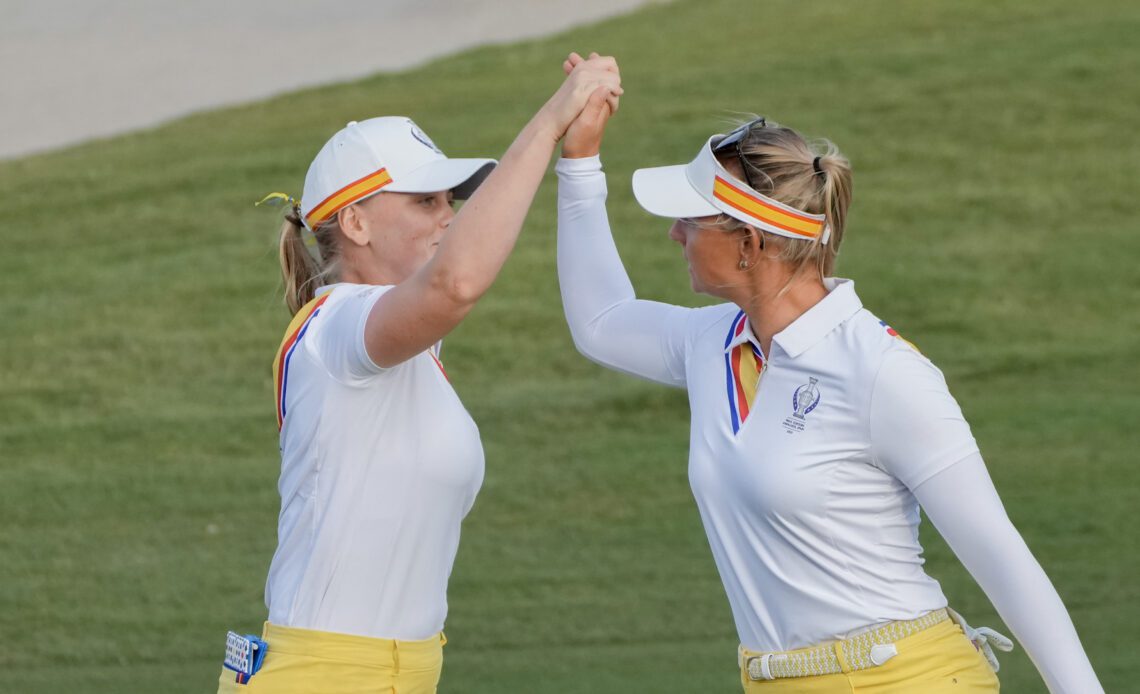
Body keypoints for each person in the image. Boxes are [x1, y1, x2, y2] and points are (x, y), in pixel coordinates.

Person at [554, 62, 1103, 692]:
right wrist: (579, 160)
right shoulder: (714, 345)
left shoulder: (882, 372)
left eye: (693, 220)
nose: (675, 234)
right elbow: (601, 321)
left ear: (750, 244)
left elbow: (1001, 557)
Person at [216, 54, 621, 693]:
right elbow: (456, 283)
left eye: (449, 200)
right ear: (355, 223)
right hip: (324, 676)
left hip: (395, 672)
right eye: (426, 200)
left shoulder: (409, 351)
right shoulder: (338, 324)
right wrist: (547, 126)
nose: (448, 216)